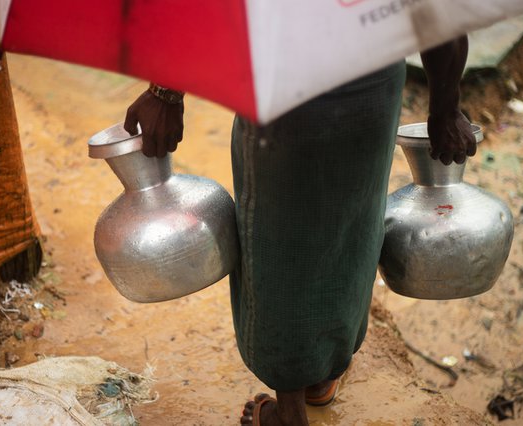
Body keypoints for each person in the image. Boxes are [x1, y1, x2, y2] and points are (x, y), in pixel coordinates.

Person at [124, 37, 475, 426]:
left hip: (288, 92)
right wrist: (446, 108)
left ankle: (288, 413)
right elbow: (439, 11)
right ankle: (323, 374)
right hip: (373, 84)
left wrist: (165, 91)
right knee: (352, 224)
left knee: (277, 240)